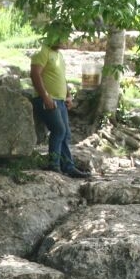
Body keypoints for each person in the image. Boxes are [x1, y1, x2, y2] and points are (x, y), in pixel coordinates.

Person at [30, 34, 91, 179]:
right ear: (53, 34)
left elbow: (61, 78)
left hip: (60, 101)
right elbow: (35, 74)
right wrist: (45, 96)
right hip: (47, 100)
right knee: (59, 130)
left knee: (66, 134)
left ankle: (68, 167)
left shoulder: (59, 56)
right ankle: (54, 165)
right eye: (62, 36)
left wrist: (68, 96)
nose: (65, 40)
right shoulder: (42, 52)